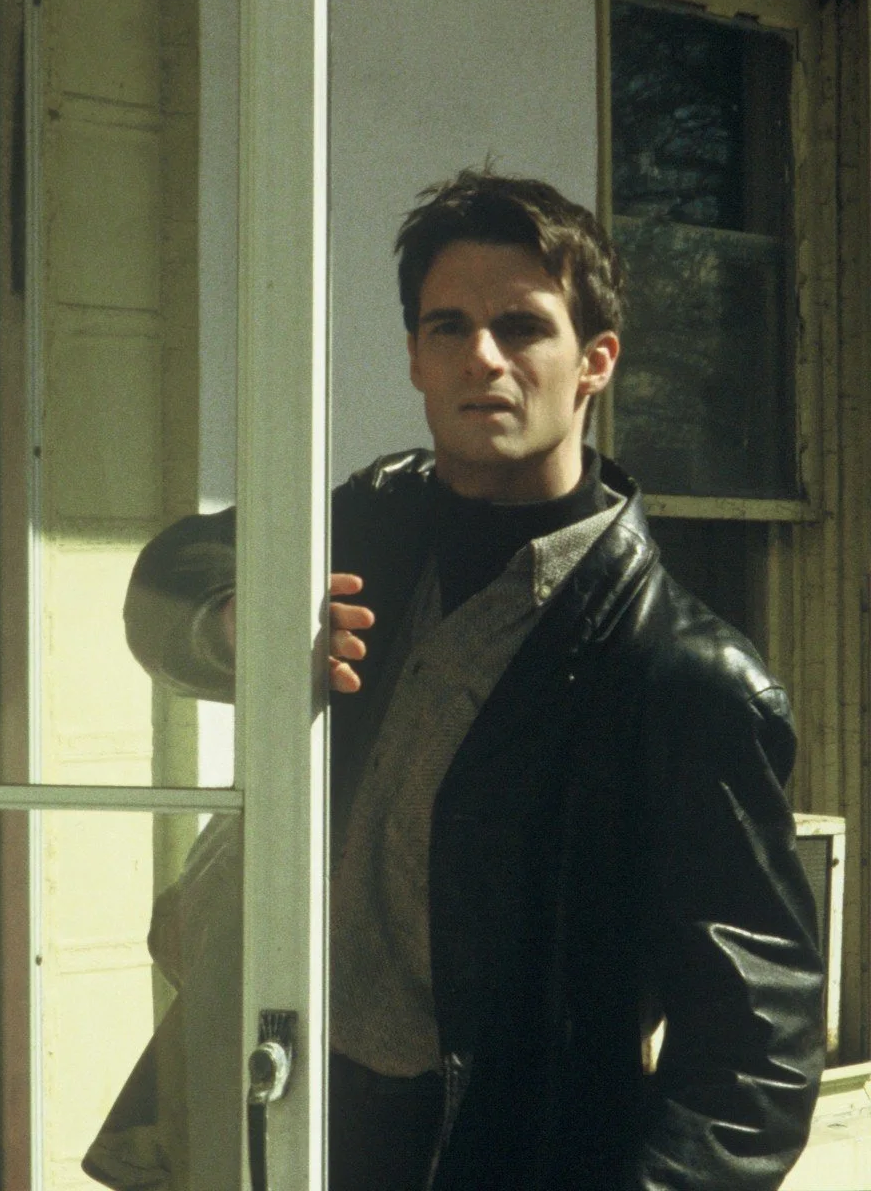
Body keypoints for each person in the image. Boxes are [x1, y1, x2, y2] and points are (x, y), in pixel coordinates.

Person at [117, 170, 824, 1190]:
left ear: (595, 362)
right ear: (414, 355)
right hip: (272, 1097)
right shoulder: (369, 523)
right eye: (448, 326)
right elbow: (166, 581)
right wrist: (241, 626)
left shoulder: (683, 673)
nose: (481, 357)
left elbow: (756, 1047)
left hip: (489, 1144)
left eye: (522, 327)